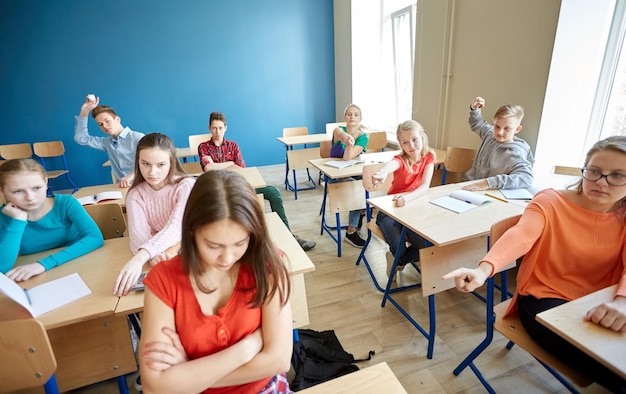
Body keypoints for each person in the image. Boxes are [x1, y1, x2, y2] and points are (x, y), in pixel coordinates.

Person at [443, 136, 626, 392]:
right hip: (545, 298)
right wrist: (484, 269)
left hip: (602, 299)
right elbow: (522, 235)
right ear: (584, 169)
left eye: (617, 175)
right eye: (594, 171)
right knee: (614, 369)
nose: (601, 182)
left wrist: (622, 300)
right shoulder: (550, 201)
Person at [139, 169, 293, 394]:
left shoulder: (267, 264)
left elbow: (278, 361)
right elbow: (156, 386)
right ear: (191, 231)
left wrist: (188, 374)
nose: (228, 258)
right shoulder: (164, 280)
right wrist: (246, 349)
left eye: (240, 243)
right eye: (214, 245)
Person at [198, 111, 316, 252]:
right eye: (214, 128)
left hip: (239, 187)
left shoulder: (233, 146)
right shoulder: (203, 147)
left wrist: (220, 166)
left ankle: (289, 235)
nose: (217, 131)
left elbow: (241, 168)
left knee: (273, 192)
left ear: (225, 128)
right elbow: (209, 168)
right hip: (218, 193)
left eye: (220, 128)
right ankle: (257, 244)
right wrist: (230, 163)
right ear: (209, 128)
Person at [113, 133, 195, 297]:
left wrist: (141, 258)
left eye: (161, 165)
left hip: (191, 252)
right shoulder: (135, 194)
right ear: (138, 162)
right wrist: (154, 256)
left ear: (171, 162)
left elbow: (178, 227)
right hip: (160, 258)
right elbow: (138, 237)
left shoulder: (186, 185)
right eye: (145, 164)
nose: (152, 172)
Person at [0, 159, 103, 281]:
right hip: (39, 278)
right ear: (2, 191)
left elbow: (95, 237)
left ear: (46, 182)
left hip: (79, 261)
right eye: (18, 191)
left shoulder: (66, 203)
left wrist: (43, 264)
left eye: (37, 188)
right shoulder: (4, 217)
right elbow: (2, 268)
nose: (30, 197)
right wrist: (18, 221)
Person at [371, 120, 435, 281]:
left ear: (422, 137)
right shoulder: (400, 159)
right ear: (400, 144)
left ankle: (398, 262)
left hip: (414, 209)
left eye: (414, 139)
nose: (411, 145)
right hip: (390, 210)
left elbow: (425, 186)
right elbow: (390, 165)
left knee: (426, 245)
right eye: (405, 142)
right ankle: (399, 257)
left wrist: (407, 198)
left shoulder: (429, 157)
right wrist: (383, 172)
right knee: (398, 245)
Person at [462, 96, 534, 191]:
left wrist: (489, 183)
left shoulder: (515, 153)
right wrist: (475, 110)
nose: (500, 132)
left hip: (491, 193)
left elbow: (526, 178)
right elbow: (477, 123)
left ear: (517, 129)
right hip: (470, 185)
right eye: (497, 126)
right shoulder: (490, 134)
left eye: (507, 128)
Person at [74, 95, 145, 187]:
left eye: (107, 121)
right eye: (100, 124)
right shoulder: (106, 143)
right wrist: (85, 111)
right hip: (121, 187)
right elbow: (80, 138)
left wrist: (130, 176)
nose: (104, 126)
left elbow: (149, 162)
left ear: (117, 119)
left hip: (142, 184)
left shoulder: (138, 137)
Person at [330, 104, 369, 248]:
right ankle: (352, 230)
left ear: (360, 118)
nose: (352, 117)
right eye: (349, 114)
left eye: (356, 114)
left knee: (366, 184)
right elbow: (346, 156)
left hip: (353, 173)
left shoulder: (363, 137)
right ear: (344, 117)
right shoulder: (338, 130)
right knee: (357, 189)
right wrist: (347, 139)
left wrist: (351, 144)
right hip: (333, 175)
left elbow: (349, 156)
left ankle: (357, 218)